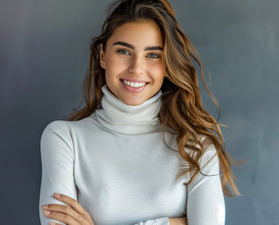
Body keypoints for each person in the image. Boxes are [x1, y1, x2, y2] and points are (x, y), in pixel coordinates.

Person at [38, 0, 240, 224]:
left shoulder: (197, 148)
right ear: (103, 55)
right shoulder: (64, 139)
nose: (136, 68)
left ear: (167, 65)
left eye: (153, 55)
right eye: (124, 51)